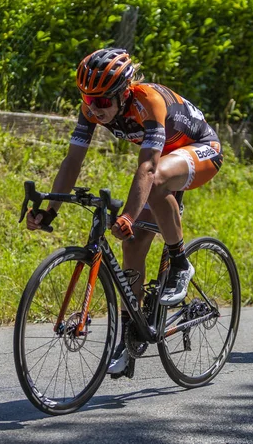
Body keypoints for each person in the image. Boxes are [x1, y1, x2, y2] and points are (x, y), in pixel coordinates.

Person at [26, 47, 223, 377]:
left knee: (157, 180)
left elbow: (147, 166)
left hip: (200, 150)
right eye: (88, 100)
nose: (95, 109)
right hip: (162, 161)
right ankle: (130, 338)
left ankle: (179, 261)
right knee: (132, 246)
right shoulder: (92, 107)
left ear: (124, 92)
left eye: (102, 102)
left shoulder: (149, 102)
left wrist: (128, 216)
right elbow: (73, 161)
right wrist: (50, 211)